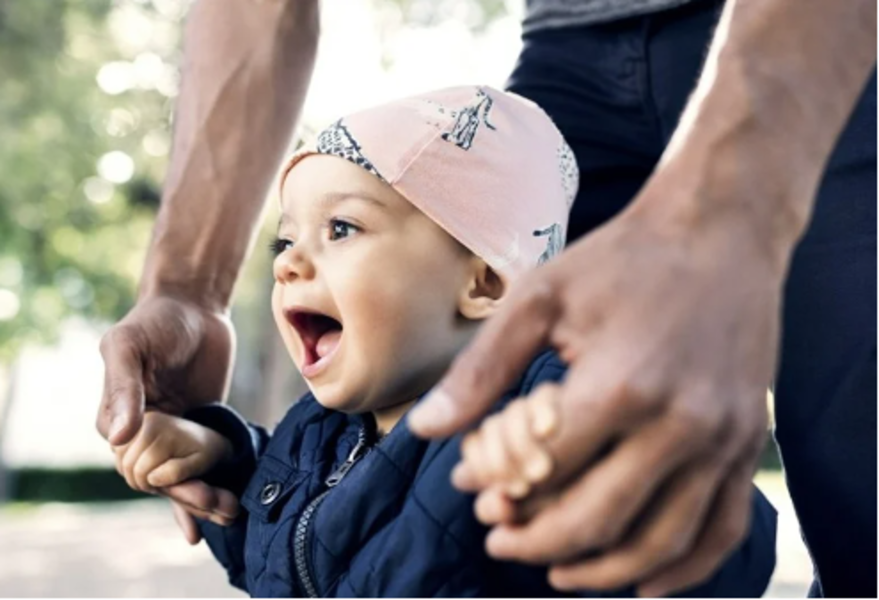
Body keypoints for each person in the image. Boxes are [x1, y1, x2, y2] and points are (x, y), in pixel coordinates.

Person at [97, 0, 876, 596]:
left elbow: (719, 539)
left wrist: (583, 468)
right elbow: (288, 524)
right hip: (568, 52)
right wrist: (223, 455)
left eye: (339, 229)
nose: (290, 264)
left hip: (825, 41)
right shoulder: (319, 437)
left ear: (484, 281)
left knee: (853, 501)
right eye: (283, 243)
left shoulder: (517, 424)